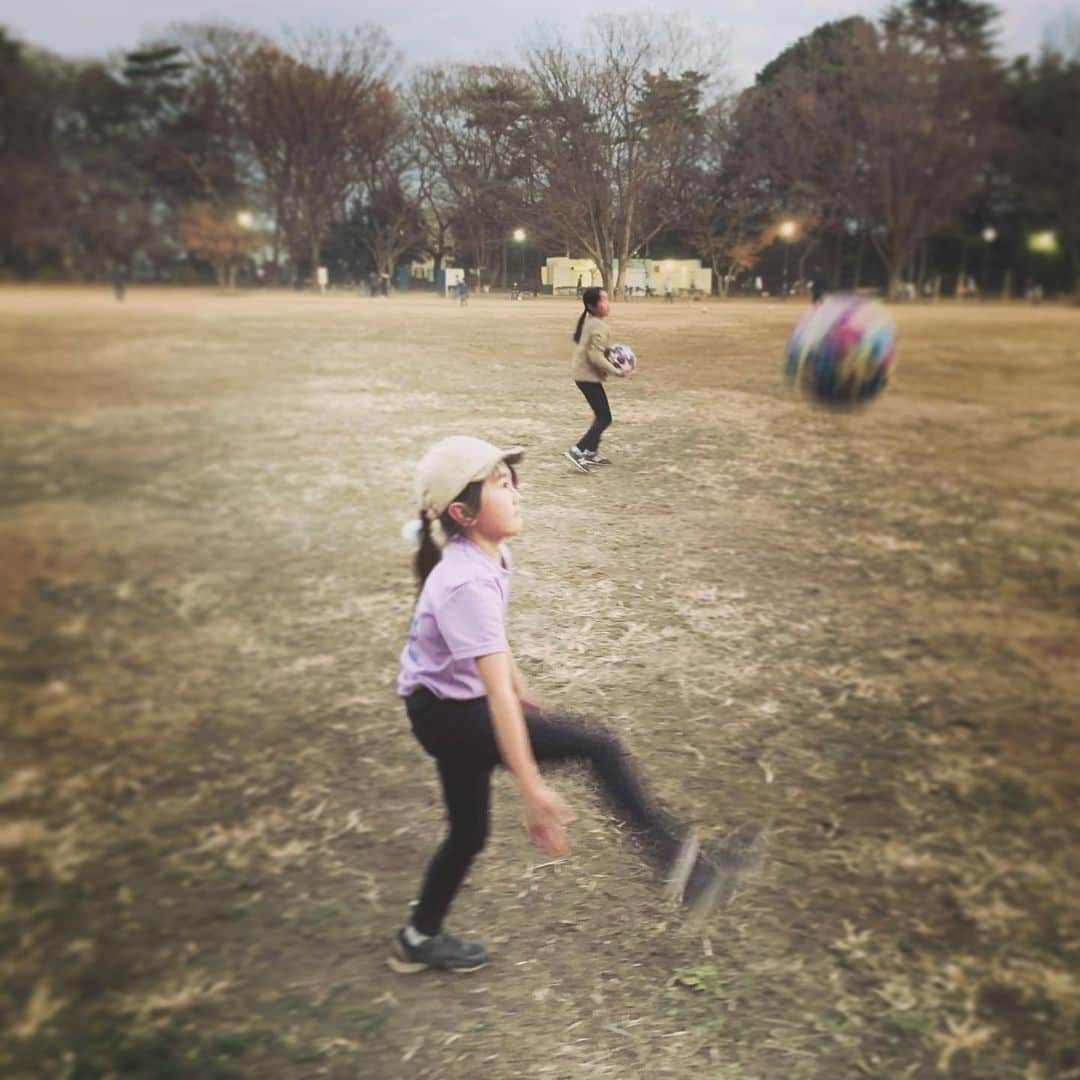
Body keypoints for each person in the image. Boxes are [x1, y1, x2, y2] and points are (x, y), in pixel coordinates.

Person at [390, 437, 722, 974]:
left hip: (441, 707)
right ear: (462, 512)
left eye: (511, 478)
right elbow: (492, 697)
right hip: (450, 715)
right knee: (598, 746)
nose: (515, 490)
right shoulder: (465, 581)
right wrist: (532, 790)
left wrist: (519, 688)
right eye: (499, 483)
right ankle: (688, 870)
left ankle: (417, 938)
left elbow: (493, 653)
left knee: (469, 833)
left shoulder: (485, 556)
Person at [565, 287, 629, 472]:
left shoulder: (590, 321)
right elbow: (595, 356)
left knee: (601, 415)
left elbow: (594, 350)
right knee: (604, 417)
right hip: (587, 377)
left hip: (583, 375)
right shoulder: (599, 325)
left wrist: (610, 353)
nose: (608, 304)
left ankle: (591, 452)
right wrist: (617, 370)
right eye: (603, 301)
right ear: (592, 306)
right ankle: (577, 450)